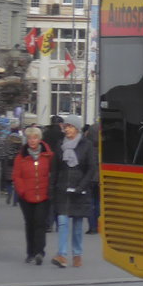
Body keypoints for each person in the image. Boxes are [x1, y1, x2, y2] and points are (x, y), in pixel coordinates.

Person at [50, 115, 98, 268]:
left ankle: (77, 255)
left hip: (79, 189)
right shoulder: (59, 144)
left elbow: (91, 168)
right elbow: (55, 168)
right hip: (63, 188)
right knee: (63, 222)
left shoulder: (87, 145)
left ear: (76, 128)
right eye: (66, 127)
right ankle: (62, 255)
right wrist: (53, 186)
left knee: (77, 225)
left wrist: (82, 187)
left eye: (69, 126)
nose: (66, 129)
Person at [11, 126, 54, 265]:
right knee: (30, 224)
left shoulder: (48, 155)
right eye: (29, 138)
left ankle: (39, 252)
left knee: (40, 223)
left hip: (43, 195)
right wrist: (22, 190)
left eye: (34, 137)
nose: (32, 141)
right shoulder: (21, 157)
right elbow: (16, 176)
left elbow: (53, 173)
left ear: (39, 139)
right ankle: (30, 252)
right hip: (26, 196)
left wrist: (50, 189)